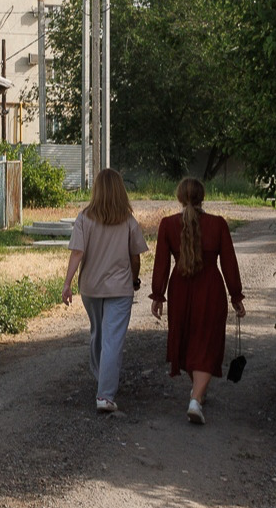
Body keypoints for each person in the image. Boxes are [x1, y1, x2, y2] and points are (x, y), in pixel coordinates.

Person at [150, 177, 246, 425]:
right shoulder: (217, 225)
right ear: (203, 197)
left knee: (188, 341)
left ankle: (197, 394)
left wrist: (158, 295)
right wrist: (236, 295)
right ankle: (196, 398)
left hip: (180, 289)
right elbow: (229, 263)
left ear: (179, 198)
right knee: (206, 342)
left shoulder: (168, 224)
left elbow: (161, 264)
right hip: (210, 290)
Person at [61, 168, 149, 414]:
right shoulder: (128, 221)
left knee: (98, 335)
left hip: (91, 287)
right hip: (120, 289)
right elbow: (135, 257)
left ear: (97, 190)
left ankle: (103, 381)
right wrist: (133, 280)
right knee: (112, 340)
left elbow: (77, 252)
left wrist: (67, 284)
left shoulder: (84, 218)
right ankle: (105, 394)